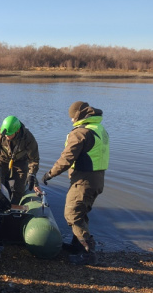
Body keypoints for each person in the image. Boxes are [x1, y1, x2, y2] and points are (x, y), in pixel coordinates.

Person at [42, 101, 109, 265]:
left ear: (79, 115)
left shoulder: (81, 133)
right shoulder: (99, 129)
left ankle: (88, 253)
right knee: (81, 212)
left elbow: (67, 159)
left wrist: (49, 174)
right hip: (97, 179)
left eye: (73, 117)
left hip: (84, 180)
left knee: (72, 214)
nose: (71, 121)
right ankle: (77, 245)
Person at [0, 116, 40, 205]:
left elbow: (34, 158)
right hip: (2, 161)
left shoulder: (28, 137)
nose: (7, 136)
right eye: (5, 134)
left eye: (9, 134)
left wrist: (32, 174)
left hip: (20, 162)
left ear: (17, 131)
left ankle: (14, 207)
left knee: (19, 189)